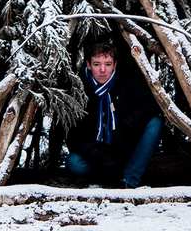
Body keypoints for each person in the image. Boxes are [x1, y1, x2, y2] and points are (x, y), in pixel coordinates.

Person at [66, 40, 163, 188]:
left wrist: (124, 130)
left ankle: (130, 180)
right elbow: (72, 135)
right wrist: (97, 153)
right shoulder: (79, 89)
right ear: (88, 64)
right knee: (74, 163)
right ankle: (106, 176)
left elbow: (148, 110)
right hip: (95, 154)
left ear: (115, 65)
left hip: (124, 149)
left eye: (108, 64)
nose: (102, 70)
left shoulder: (127, 83)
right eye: (97, 64)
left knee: (155, 123)